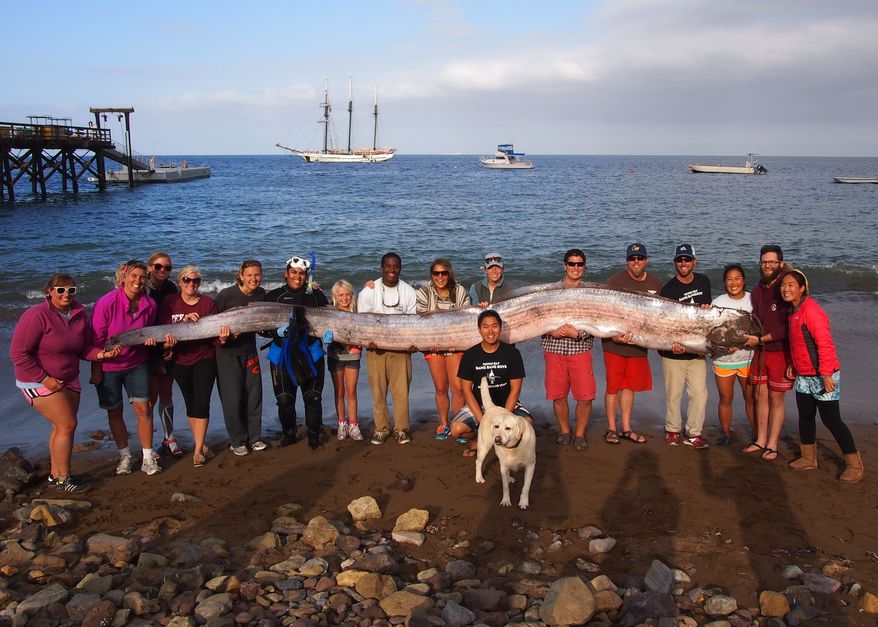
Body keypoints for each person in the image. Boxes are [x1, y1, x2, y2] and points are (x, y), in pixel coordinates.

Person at [10, 274, 120, 492]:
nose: (66, 294)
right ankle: (63, 479)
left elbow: (83, 349)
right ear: (49, 292)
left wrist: (102, 355)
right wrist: (44, 379)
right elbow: (19, 354)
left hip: (69, 378)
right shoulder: (36, 315)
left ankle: (55, 475)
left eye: (71, 290)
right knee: (67, 425)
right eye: (60, 290)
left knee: (60, 427)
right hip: (37, 380)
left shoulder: (79, 315)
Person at [781, 270, 863, 483]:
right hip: (805, 376)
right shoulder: (793, 311)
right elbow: (798, 343)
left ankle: (854, 463)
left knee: (831, 419)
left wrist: (826, 374)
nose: (785, 289)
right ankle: (809, 458)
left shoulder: (812, 311)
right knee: (806, 417)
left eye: (791, 285)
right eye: (783, 285)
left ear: (802, 288)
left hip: (823, 375)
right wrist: (793, 364)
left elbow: (825, 344)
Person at [91, 260, 164, 476]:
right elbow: (96, 339)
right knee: (115, 411)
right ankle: (124, 455)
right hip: (109, 364)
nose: (138, 281)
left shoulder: (149, 305)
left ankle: (148, 457)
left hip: (136, 363)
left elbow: (147, 332)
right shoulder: (106, 303)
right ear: (123, 278)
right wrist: (98, 366)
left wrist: (149, 341)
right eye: (133, 276)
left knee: (144, 409)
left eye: (142, 277)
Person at [263, 255, 329, 449]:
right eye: (294, 272)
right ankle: (289, 434)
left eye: (301, 273)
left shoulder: (316, 296)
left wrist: (328, 335)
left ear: (306, 275)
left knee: (313, 397)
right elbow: (261, 326)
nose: (298, 277)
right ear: (286, 273)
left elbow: (329, 322)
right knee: (284, 399)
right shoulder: (274, 296)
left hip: (311, 353)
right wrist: (274, 331)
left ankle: (314, 436)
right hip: (282, 354)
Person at [158, 266, 220, 467]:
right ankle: (200, 445)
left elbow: (214, 339)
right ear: (179, 282)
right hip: (179, 360)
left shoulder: (208, 304)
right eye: (187, 280)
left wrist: (224, 338)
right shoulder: (169, 303)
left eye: (196, 281)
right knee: (191, 402)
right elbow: (163, 332)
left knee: (202, 402)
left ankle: (198, 450)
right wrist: (182, 325)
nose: (192, 284)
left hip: (204, 358)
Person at [602, 243, 662, 445]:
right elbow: (601, 312)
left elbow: (661, 317)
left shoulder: (656, 283)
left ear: (646, 260)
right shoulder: (614, 281)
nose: (636, 262)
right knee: (613, 387)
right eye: (632, 259)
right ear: (627, 261)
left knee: (629, 387)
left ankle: (626, 428)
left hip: (638, 346)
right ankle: (611, 429)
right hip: (614, 345)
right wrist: (612, 336)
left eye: (640, 258)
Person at [451, 309, 530, 457]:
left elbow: (516, 389)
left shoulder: (512, 353)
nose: (490, 331)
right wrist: (484, 422)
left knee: (527, 426)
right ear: (479, 329)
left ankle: (506, 444)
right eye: (485, 326)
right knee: (456, 429)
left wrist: (505, 417)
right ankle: (476, 439)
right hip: (480, 406)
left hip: (506, 405)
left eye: (494, 326)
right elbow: (466, 390)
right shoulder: (470, 355)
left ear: (500, 328)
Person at [358, 252, 418, 445]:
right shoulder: (368, 291)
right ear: (382, 267)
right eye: (388, 266)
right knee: (378, 392)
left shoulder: (409, 292)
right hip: (375, 350)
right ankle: (381, 429)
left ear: (400, 268)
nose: (392, 270)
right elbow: (363, 322)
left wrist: (412, 344)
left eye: (396, 266)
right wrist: (369, 340)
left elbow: (413, 323)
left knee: (401, 393)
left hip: (401, 350)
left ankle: (401, 429)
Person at [741, 244, 793, 461]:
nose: (767, 265)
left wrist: (761, 339)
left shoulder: (785, 287)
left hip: (779, 351)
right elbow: (756, 322)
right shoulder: (757, 290)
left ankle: (773, 444)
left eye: (772, 262)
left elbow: (786, 327)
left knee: (776, 399)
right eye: (764, 262)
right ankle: (760, 439)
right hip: (760, 351)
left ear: (780, 263)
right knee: (759, 396)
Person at [541, 248, 595, 451]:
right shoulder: (550, 291)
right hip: (554, 348)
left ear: (584, 267)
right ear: (565, 266)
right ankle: (564, 431)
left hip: (580, 349)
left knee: (586, 396)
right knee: (558, 395)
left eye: (579, 264)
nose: (575, 267)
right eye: (572, 264)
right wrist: (551, 331)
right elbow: (538, 317)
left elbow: (599, 319)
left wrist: (579, 334)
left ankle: (579, 434)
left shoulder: (591, 292)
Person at [659, 243, 712, 449]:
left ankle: (693, 433)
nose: (683, 263)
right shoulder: (668, 288)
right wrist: (672, 344)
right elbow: (663, 322)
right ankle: (672, 431)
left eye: (687, 259)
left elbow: (704, 318)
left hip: (697, 351)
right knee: (674, 394)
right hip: (673, 351)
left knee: (699, 393)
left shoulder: (704, 281)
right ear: (675, 263)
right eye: (680, 260)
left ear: (694, 262)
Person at [215, 259, 268, 456]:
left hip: (249, 351)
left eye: (257, 275)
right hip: (226, 354)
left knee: (254, 395)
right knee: (233, 399)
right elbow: (210, 321)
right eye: (250, 275)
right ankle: (237, 441)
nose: (254, 279)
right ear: (241, 276)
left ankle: (254, 438)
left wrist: (311, 288)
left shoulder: (261, 295)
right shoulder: (226, 295)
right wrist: (223, 337)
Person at [416, 258, 471, 440]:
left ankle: (458, 423)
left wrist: (456, 340)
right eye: (436, 273)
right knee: (440, 387)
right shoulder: (424, 293)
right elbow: (420, 321)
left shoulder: (460, 291)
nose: (440, 277)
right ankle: (443, 424)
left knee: (458, 388)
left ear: (449, 273)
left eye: (444, 273)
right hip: (433, 346)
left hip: (455, 344)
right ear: (432, 275)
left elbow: (466, 318)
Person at [711, 263, 755, 445]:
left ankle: (757, 433)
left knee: (751, 399)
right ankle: (727, 433)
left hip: (748, 359)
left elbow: (760, 329)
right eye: (729, 279)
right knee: (725, 399)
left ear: (744, 281)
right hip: (723, 360)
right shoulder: (717, 303)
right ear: (724, 282)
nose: (734, 282)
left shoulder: (754, 300)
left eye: (737, 278)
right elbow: (711, 332)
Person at [145, 252, 183, 458]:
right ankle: (148, 445)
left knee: (166, 393)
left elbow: (173, 318)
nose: (163, 271)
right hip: (146, 347)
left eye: (167, 268)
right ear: (149, 267)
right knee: (150, 397)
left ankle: (169, 438)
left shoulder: (170, 288)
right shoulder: (142, 287)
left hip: (166, 344)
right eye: (158, 267)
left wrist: (169, 347)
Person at [328, 279, 363, 441]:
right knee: (339, 392)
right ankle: (341, 423)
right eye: (340, 295)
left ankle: (353, 424)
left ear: (352, 295)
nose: (344, 298)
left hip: (353, 355)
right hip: (335, 356)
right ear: (335, 296)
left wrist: (369, 285)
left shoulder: (357, 312)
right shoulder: (330, 312)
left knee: (351, 392)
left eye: (347, 294)